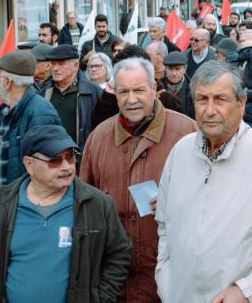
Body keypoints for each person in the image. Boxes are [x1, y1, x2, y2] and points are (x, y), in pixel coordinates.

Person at [155, 61, 252, 302]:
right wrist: (166, 280)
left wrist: (249, 291)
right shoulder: (180, 152)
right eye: (202, 99)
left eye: (220, 99)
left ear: (242, 103)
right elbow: (164, 224)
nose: (210, 109)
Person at [0, 124, 132, 302]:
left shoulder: (97, 204)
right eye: (54, 160)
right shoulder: (2, 205)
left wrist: (101, 298)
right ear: (29, 164)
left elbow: (119, 254)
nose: (66, 167)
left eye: (70, 157)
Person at [82, 57, 195, 303]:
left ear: (154, 89)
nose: (131, 100)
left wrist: (179, 200)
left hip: (170, 277)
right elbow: (83, 208)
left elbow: (213, 200)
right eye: (124, 92)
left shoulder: (188, 134)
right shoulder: (98, 138)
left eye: (139, 90)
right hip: (114, 281)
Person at [0, 51, 63, 190]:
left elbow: (47, 170)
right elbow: (6, 157)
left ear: (8, 82)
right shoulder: (5, 111)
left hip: (23, 204)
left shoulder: (40, 112)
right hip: (4, 201)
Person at [42, 44, 103, 150]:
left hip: (81, 158)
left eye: (61, 64)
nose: (55, 68)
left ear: (76, 65)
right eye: (53, 64)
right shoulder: (44, 92)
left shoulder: (94, 92)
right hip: (51, 157)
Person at [161, 51, 194, 118]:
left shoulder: (193, 88)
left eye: (177, 69)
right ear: (165, 68)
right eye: (170, 69)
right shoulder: (158, 88)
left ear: (185, 69)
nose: (174, 73)